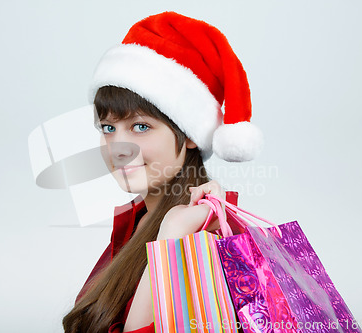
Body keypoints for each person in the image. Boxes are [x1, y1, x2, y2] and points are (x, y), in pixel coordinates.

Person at [62, 11, 263, 333]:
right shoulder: (140, 219)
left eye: (141, 126)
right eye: (109, 127)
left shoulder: (210, 236)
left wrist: (173, 236)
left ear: (191, 136)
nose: (119, 145)